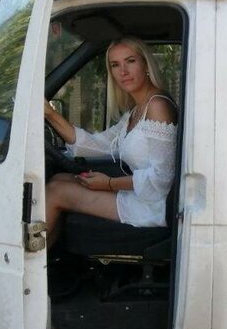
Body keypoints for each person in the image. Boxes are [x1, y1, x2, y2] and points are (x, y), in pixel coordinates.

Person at [43, 37, 177, 247]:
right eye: (115, 65)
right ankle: (46, 258)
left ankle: (29, 261)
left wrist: (109, 184)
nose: (123, 71)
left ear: (146, 65)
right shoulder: (136, 111)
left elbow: (162, 179)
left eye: (130, 61)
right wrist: (50, 114)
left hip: (155, 206)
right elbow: (97, 145)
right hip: (144, 195)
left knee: (56, 191)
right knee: (59, 179)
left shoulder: (157, 106)